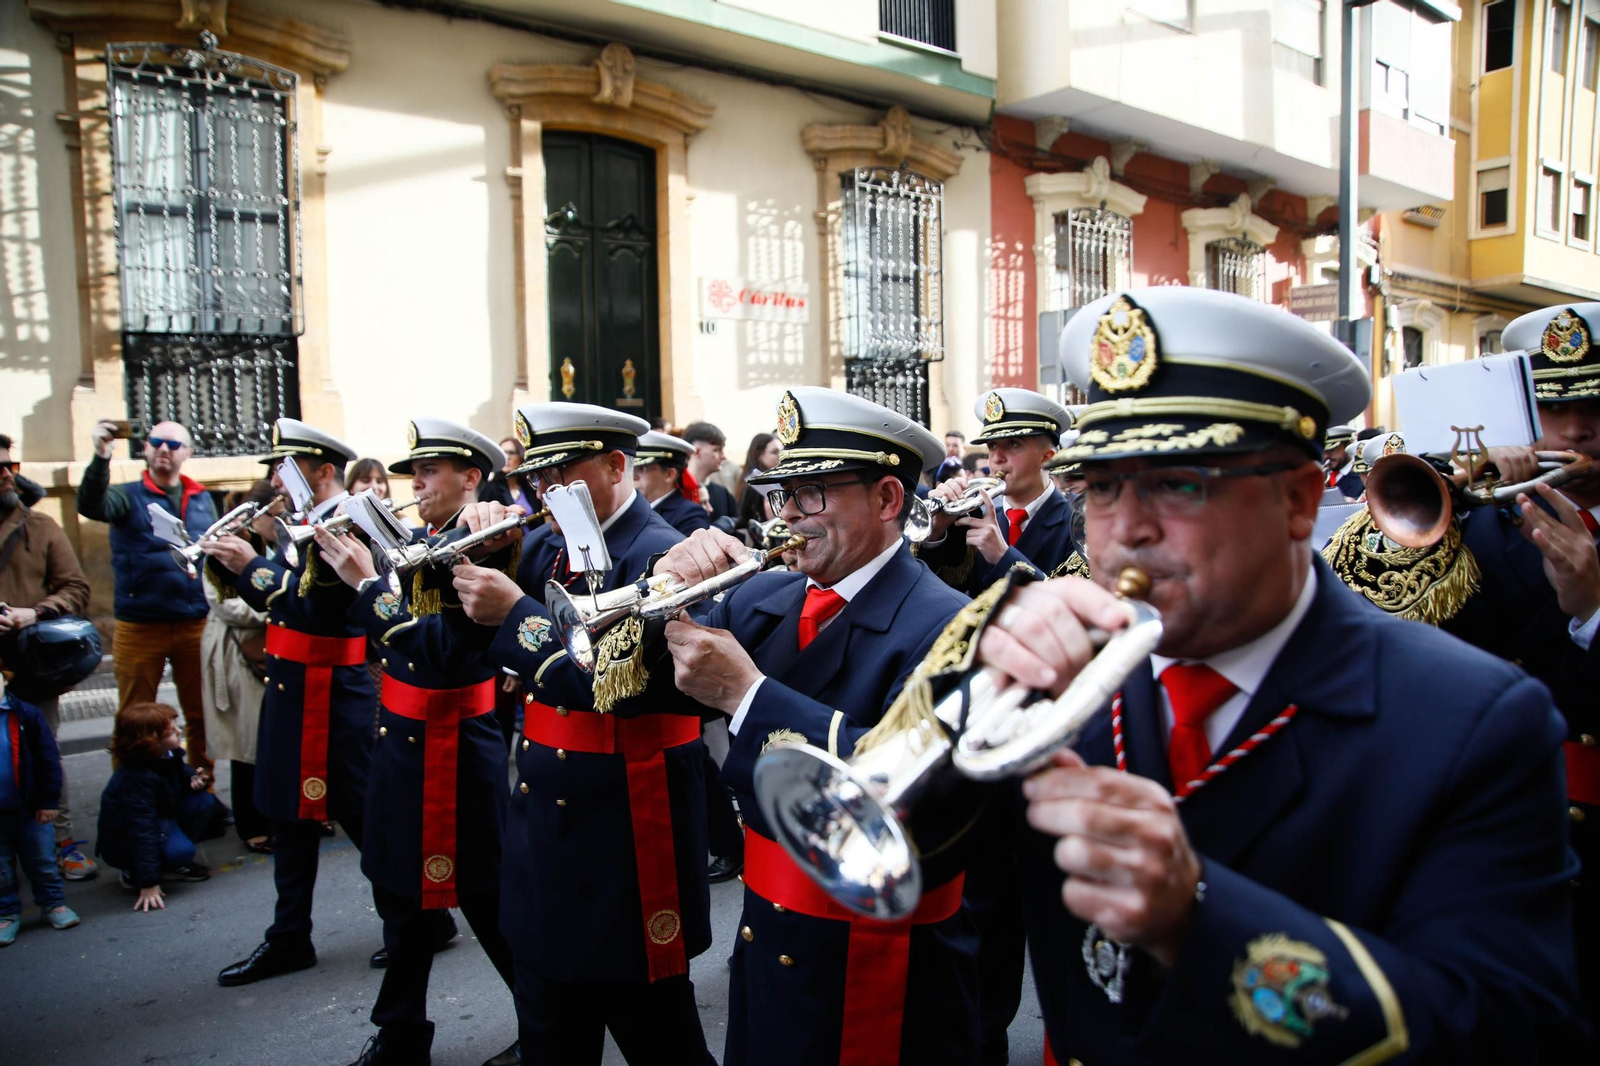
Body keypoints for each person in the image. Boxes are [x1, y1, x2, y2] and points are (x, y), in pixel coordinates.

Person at [940, 286, 1583, 1061]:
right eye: (1104, 486)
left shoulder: (1475, 718)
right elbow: (916, 853)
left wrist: (1199, 918)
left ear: (1300, 501)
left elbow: (1506, 1031)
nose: (1127, 531)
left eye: (1180, 482)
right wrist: (968, 661)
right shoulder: (1071, 674)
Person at [656, 387, 976, 1066]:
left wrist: (748, 695)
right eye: (781, 496)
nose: (788, 518)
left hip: (877, 960)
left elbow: (907, 796)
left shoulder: (952, 623)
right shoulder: (763, 594)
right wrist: (663, 586)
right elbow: (630, 693)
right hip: (769, 935)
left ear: (888, 501)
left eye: (812, 495)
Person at [450, 403, 715, 1065]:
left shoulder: (658, 552)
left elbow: (613, 687)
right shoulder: (543, 542)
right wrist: (478, 557)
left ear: (618, 464)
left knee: (659, 1035)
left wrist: (515, 615)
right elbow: (467, 649)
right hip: (546, 824)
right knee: (551, 1034)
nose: (546, 488)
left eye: (565, 471)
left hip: (627, 831)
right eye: (540, 474)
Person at [313, 419, 519, 1066]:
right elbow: (348, 623)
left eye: (430, 472)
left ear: (471, 478)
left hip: (458, 745)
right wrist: (340, 561)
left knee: (489, 900)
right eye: (414, 472)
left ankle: (547, 1024)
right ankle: (401, 1034)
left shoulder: (479, 548)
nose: (417, 483)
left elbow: (436, 653)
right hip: (402, 739)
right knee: (398, 896)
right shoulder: (424, 539)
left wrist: (371, 584)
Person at [1435, 301, 1600, 1039]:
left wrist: (1591, 611)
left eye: (1595, 405)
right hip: (1509, 829)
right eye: (1554, 407)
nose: (1576, 431)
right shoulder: (1477, 522)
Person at [914, 389, 1079, 1064]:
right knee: (981, 914)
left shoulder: (1073, 519)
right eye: (993, 447)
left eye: (1013, 447)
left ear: (1047, 451)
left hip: (1046, 730)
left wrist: (1003, 555)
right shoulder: (976, 512)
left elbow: (1072, 616)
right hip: (980, 723)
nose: (998, 459)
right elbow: (945, 613)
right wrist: (939, 542)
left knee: (1041, 909)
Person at [200, 418, 383, 988]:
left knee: (360, 815)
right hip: (293, 684)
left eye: (288, 469)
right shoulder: (299, 521)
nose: (277, 480)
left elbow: (310, 608)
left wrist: (246, 566)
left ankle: (419, 919)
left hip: (331, 689)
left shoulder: (345, 522)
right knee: (288, 815)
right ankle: (289, 936)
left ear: (322, 471)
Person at [77, 419, 217, 780]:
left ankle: (200, 790)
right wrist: (101, 456)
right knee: (135, 716)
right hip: (140, 625)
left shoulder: (202, 499)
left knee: (201, 713)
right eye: (156, 442)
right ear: (145, 449)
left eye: (173, 444)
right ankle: (133, 793)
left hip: (194, 622)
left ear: (187, 453)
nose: (164, 450)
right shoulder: (126, 495)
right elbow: (91, 505)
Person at [0, 434, 94, 880]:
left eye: (11, 465)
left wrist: (32, 613)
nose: (6, 474)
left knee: (42, 756)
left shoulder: (41, 528)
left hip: (28, 666)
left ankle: (63, 844)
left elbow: (76, 589)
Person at [199, 481, 275, 854]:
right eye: (271, 515)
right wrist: (276, 605)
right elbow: (225, 604)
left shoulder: (278, 542)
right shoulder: (224, 546)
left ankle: (277, 815)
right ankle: (251, 825)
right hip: (237, 651)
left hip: (270, 647)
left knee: (273, 737)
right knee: (248, 741)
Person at [97, 702, 227, 910]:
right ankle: (135, 871)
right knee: (181, 851)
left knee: (203, 801)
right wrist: (149, 883)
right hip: (127, 841)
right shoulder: (136, 778)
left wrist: (194, 782)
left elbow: (179, 776)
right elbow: (141, 830)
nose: (178, 731)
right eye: (171, 731)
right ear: (151, 741)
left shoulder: (166, 755)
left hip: (161, 817)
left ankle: (169, 860)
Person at [0, 672, 77, 944]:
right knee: (2, 870)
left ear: (5, 678)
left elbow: (48, 760)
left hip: (30, 810)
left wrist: (48, 801)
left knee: (42, 861)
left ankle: (53, 904)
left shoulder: (27, 715)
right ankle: (6, 913)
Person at [635, 431, 711, 536]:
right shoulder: (634, 508)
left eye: (643, 468)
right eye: (632, 468)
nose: (634, 476)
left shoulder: (690, 515)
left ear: (669, 475)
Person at [683, 421, 739, 522]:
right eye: (716, 450)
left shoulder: (723, 494)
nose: (723, 456)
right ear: (697, 452)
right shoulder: (677, 492)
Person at [735, 432, 780, 530]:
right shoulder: (753, 484)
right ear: (759, 455)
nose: (780, 456)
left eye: (782, 451)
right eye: (774, 452)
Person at [1323, 423, 1362, 498]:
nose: (1326, 456)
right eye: (1324, 451)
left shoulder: (1361, 476)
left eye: (1332, 449)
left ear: (1348, 445)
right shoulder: (1323, 476)